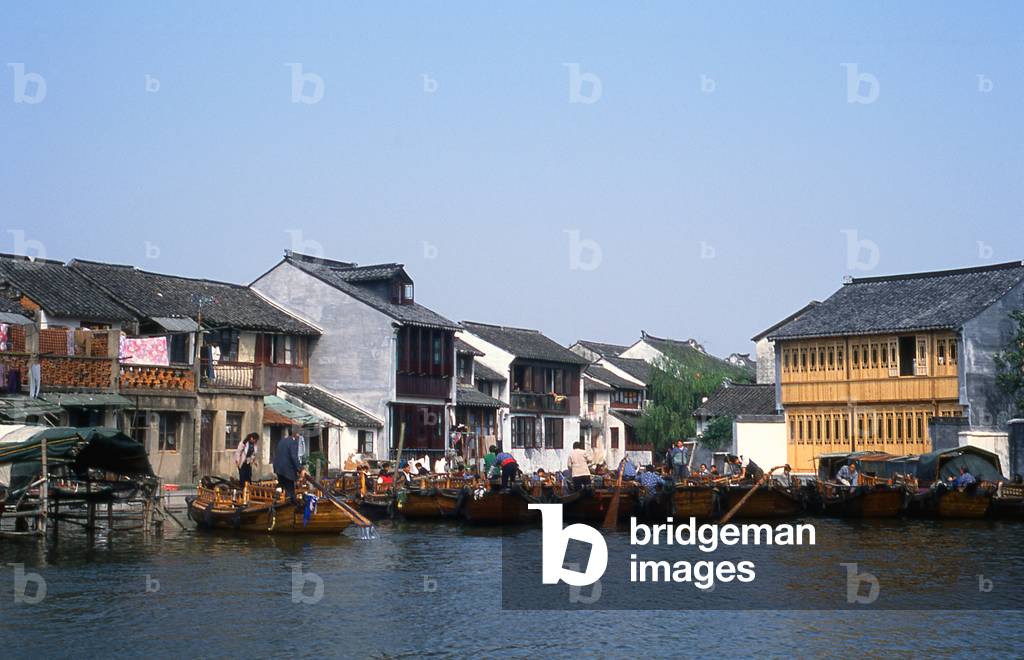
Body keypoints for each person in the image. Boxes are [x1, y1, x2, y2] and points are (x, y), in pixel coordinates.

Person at [272, 430, 307, 503]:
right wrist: (300, 469)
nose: (299, 437)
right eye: (299, 435)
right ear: (296, 434)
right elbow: (294, 457)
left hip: (278, 467)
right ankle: (290, 504)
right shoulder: (293, 442)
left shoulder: (282, 440)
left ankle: (276, 497)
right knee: (290, 488)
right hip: (287, 469)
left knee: (281, 483)